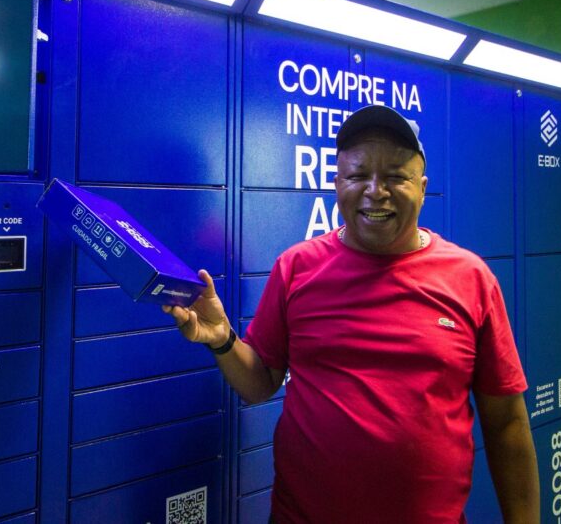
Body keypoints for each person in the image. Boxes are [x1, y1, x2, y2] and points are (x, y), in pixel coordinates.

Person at [164, 105, 539, 523]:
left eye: (395, 176)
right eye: (358, 175)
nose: (375, 191)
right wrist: (223, 340)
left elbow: (506, 423)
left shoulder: (470, 279)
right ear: (337, 184)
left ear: (422, 188)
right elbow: (260, 383)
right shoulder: (297, 268)